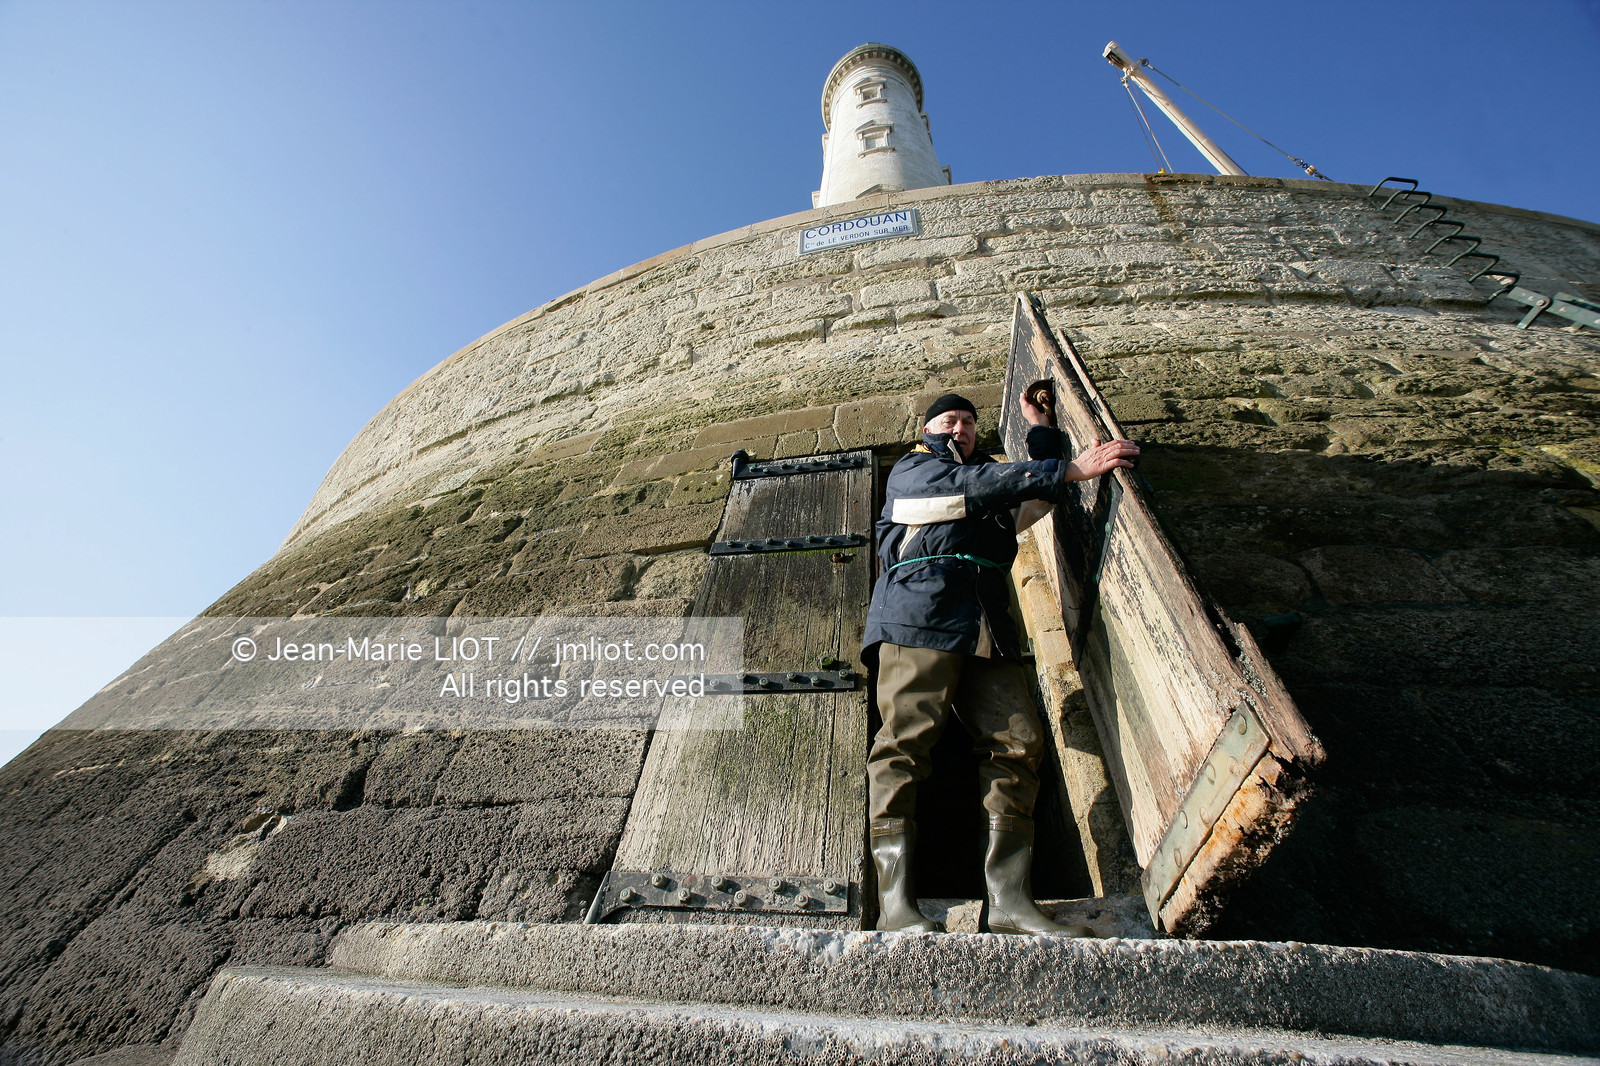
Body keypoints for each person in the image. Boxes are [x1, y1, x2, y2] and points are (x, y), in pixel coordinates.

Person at [861, 391, 1139, 934]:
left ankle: (1010, 902)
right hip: (920, 611)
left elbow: (1035, 496)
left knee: (1019, 743)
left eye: (969, 421)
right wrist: (1070, 466)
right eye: (950, 420)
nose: (961, 428)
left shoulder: (990, 488)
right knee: (905, 741)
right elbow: (979, 488)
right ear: (928, 431)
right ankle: (895, 904)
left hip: (989, 619)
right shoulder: (915, 473)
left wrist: (1040, 432)